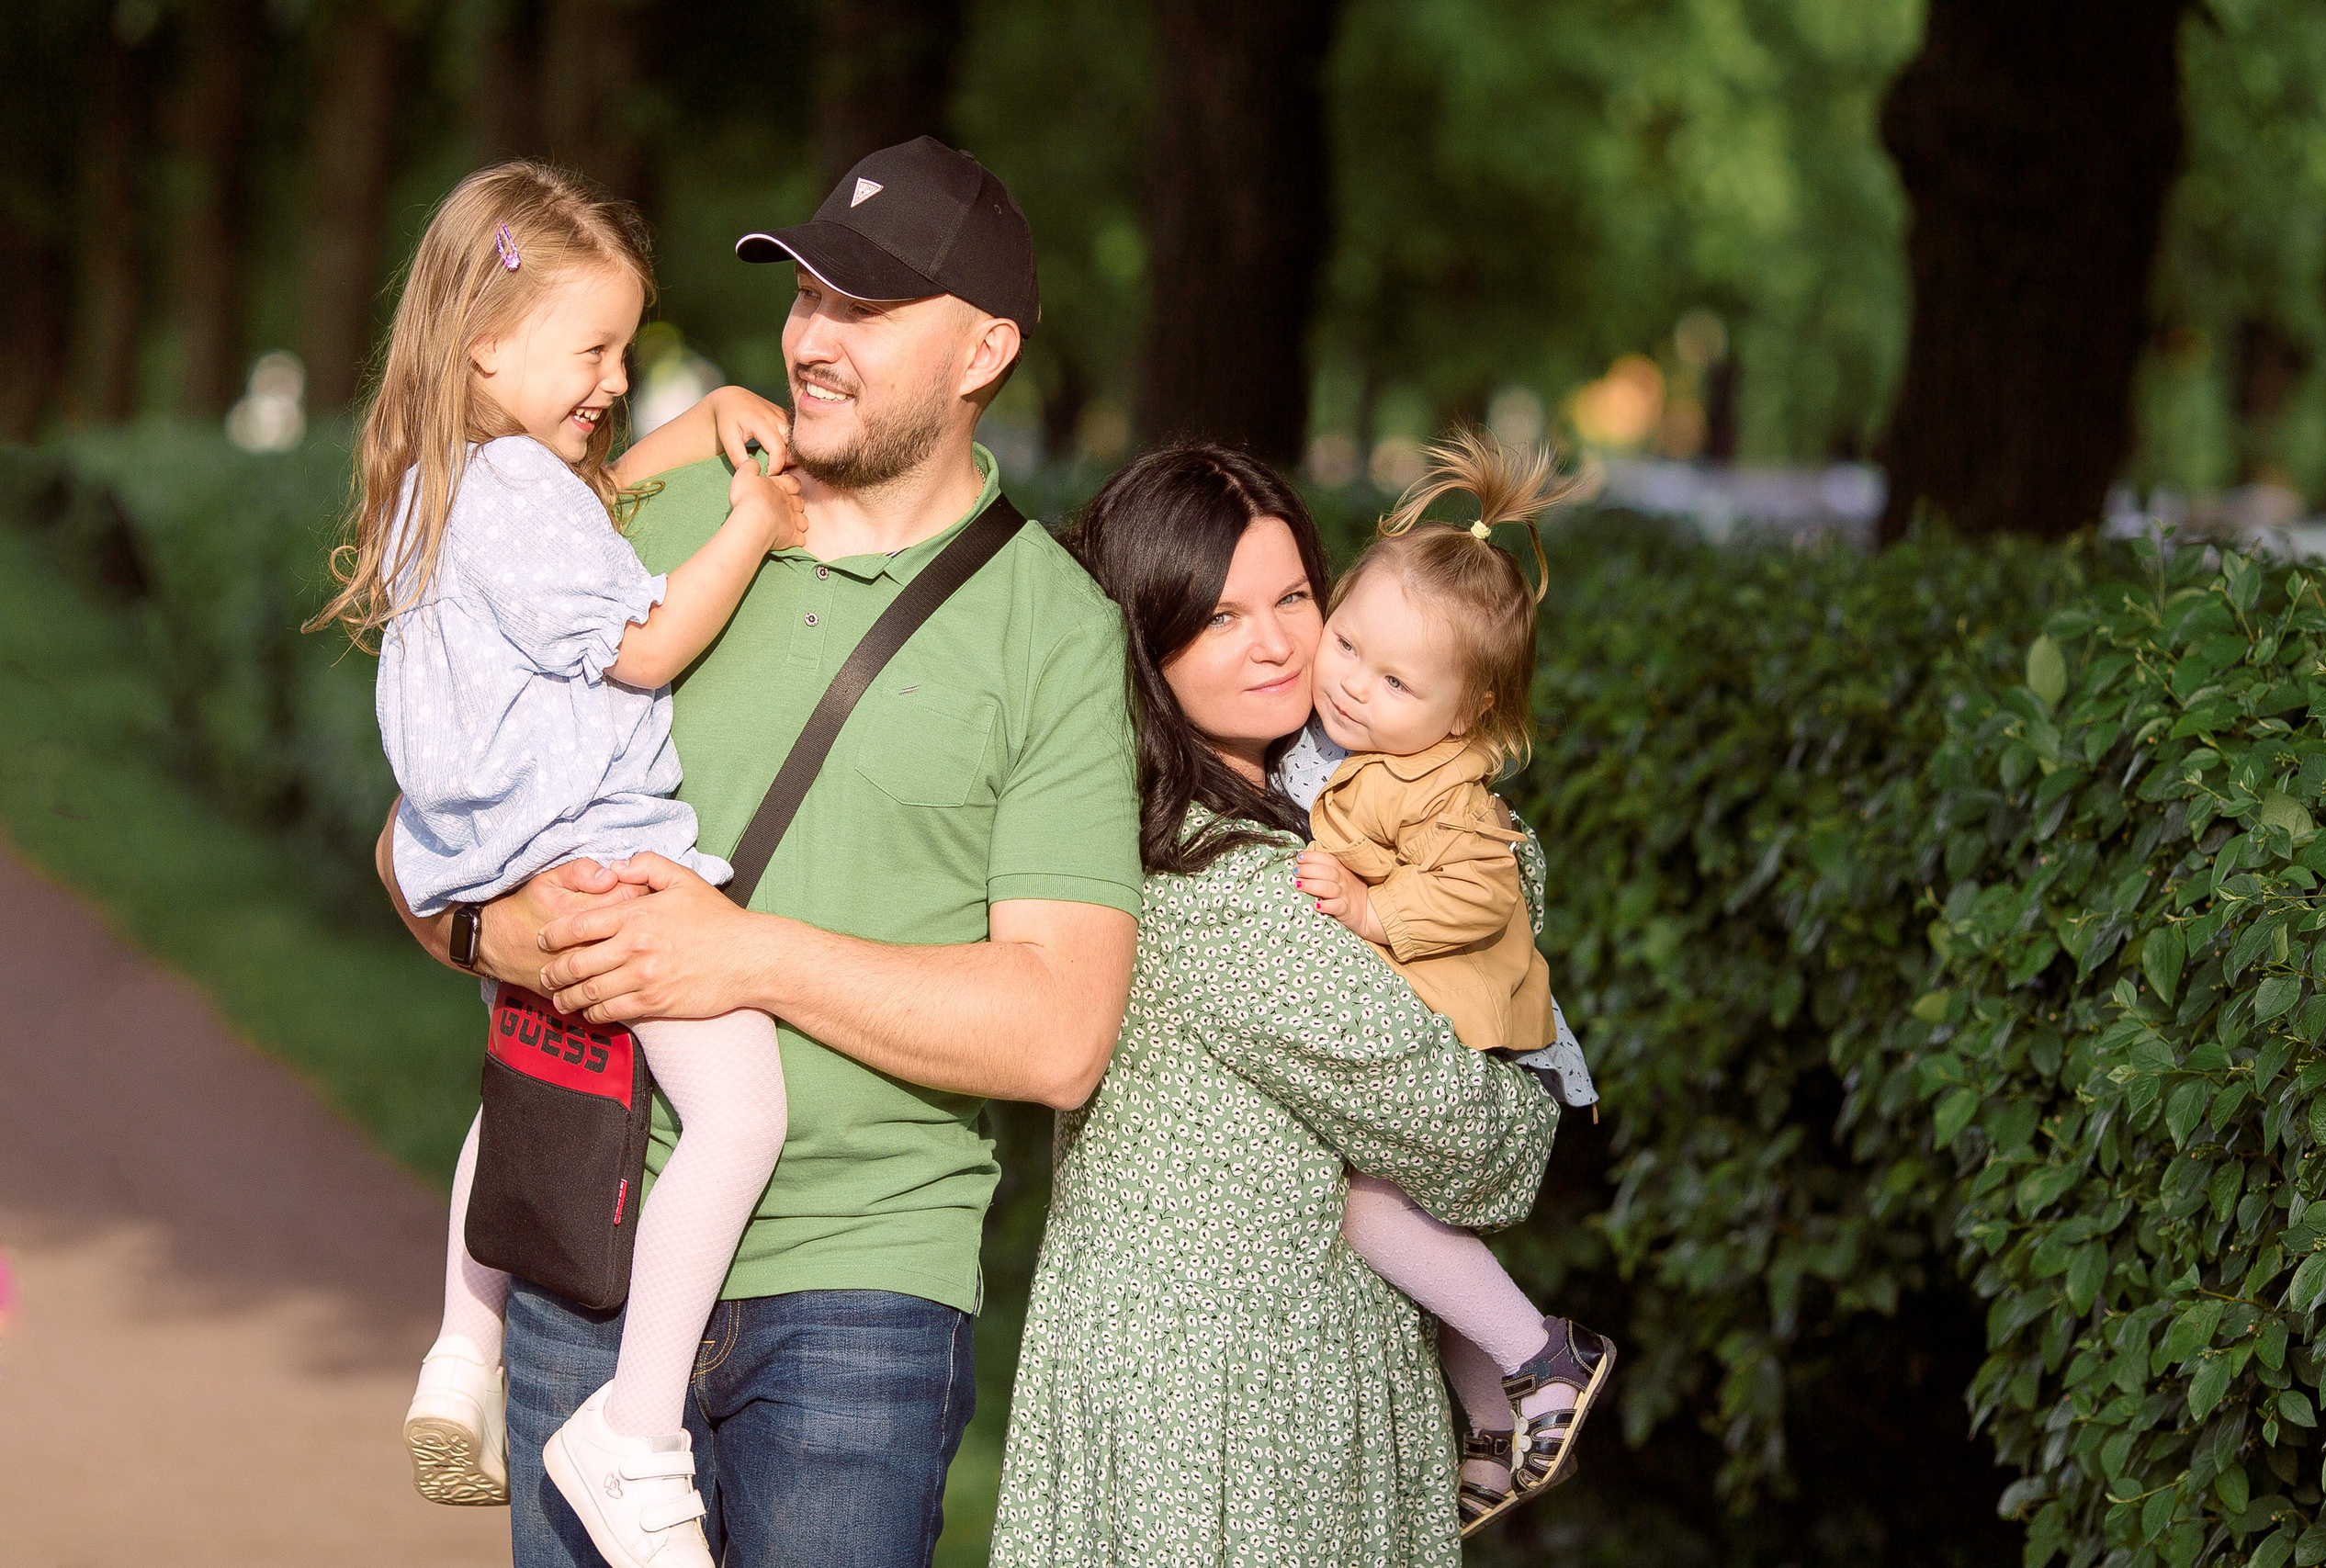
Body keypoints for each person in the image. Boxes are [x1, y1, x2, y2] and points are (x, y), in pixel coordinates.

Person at [375, 136, 1141, 1568]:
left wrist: (743, 956)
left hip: (862, 1299)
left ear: (985, 350)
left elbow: (1061, 1033)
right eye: (806, 294)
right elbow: (428, 825)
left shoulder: (1054, 628)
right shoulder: (646, 517)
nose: (812, 338)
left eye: (868, 307)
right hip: (587, 1255)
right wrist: (507, 934)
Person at [312, 161, 813, 1568]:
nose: (616, 379)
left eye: (625, 350)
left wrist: (698, 425)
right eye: (594, 349)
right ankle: (635, 1431)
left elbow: (585, 495)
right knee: (741, 1113)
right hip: (601, 853)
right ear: (489, 347)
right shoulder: (522, 488)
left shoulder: (439, 481)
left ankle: (460, 1344)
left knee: (526, 1092)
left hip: (498, 855)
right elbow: (642, 641)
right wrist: (753, 522)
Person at [990, 445, 1561, 1567]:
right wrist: (1526, 1089)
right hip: (1237, 1426)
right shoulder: (1229, 888)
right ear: (1144, 639)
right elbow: (1483, 1151)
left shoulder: (1280, 816)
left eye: (1295, 597)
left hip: (1231, 1399)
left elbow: (1489, 871)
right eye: (1219, 617)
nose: (1280, 644)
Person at [1289, 428, 1614, 1538]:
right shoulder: (1345, 746)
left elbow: (1479, 893)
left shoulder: (1440, 788)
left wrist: (1375, 911)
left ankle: (1543, 1351)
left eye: (1395, 681)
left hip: (1479, 1042)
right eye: (1345, 643)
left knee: (1366, 1211)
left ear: (1467, 714)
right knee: (1402, 1237)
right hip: (1432, 1034)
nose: (1352, 684)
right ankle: (1487, 1420)